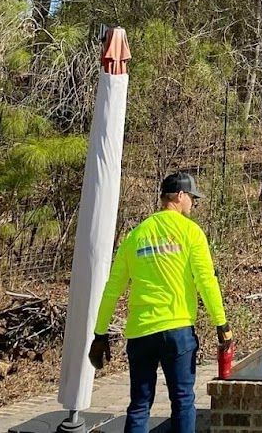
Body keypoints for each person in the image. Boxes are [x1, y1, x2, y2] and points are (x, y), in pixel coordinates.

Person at [88, 171, 232, 433]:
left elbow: (112, 290)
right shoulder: (191, 232)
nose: (193, 203)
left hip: (141, 332)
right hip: (177, 331)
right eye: (192, 197)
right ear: (179, 196)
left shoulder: (135, 236)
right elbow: (206, 281)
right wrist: (221, 324)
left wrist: (99, 334)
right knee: (183, 400)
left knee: (140, 404)